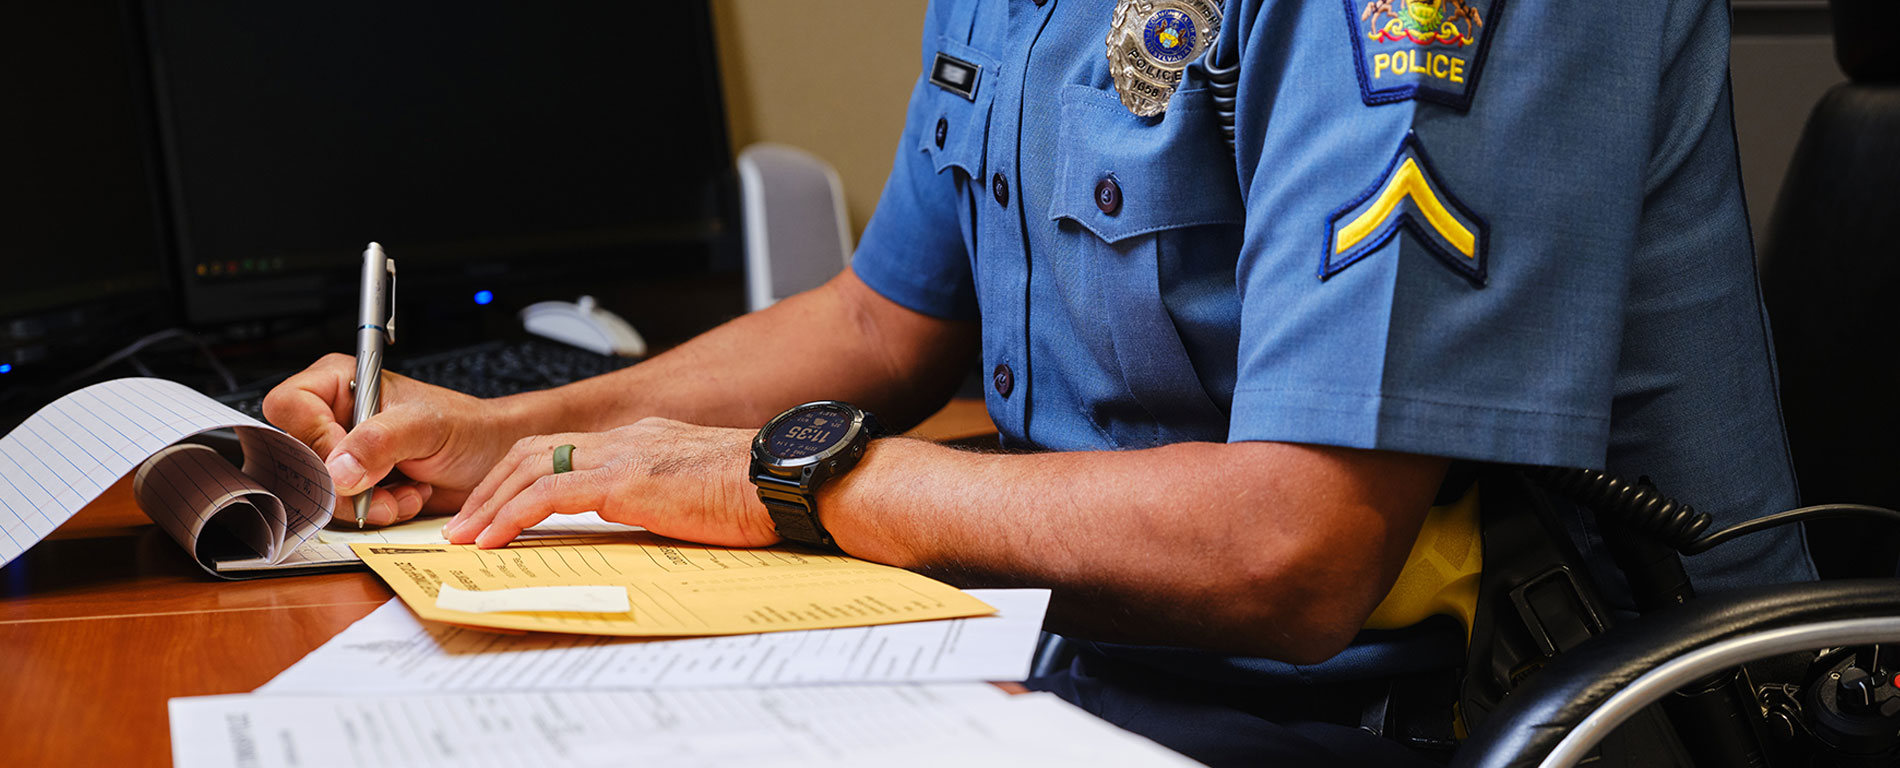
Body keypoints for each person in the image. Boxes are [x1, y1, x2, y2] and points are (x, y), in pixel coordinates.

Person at [264, 0, 1814, 764]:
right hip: (1075, 681)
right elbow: (883, 322)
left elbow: (1296, 550)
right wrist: (509, 434)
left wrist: (794, 486)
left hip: (1461, 723)